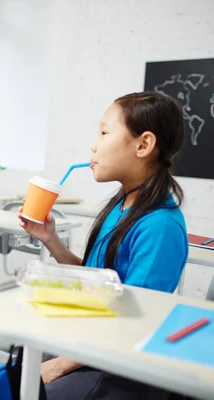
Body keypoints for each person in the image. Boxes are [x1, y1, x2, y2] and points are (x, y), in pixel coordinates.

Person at [20, 91, 189, 400]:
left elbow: (132, 320)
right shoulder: (119, 206)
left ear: (143, 145)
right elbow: (96, 281)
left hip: (117, 364)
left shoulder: (160, 226)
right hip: (90, 345)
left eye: (104, 132)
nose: (93, 144)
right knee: (10, 372)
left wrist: (58, 366)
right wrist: (50, 239)